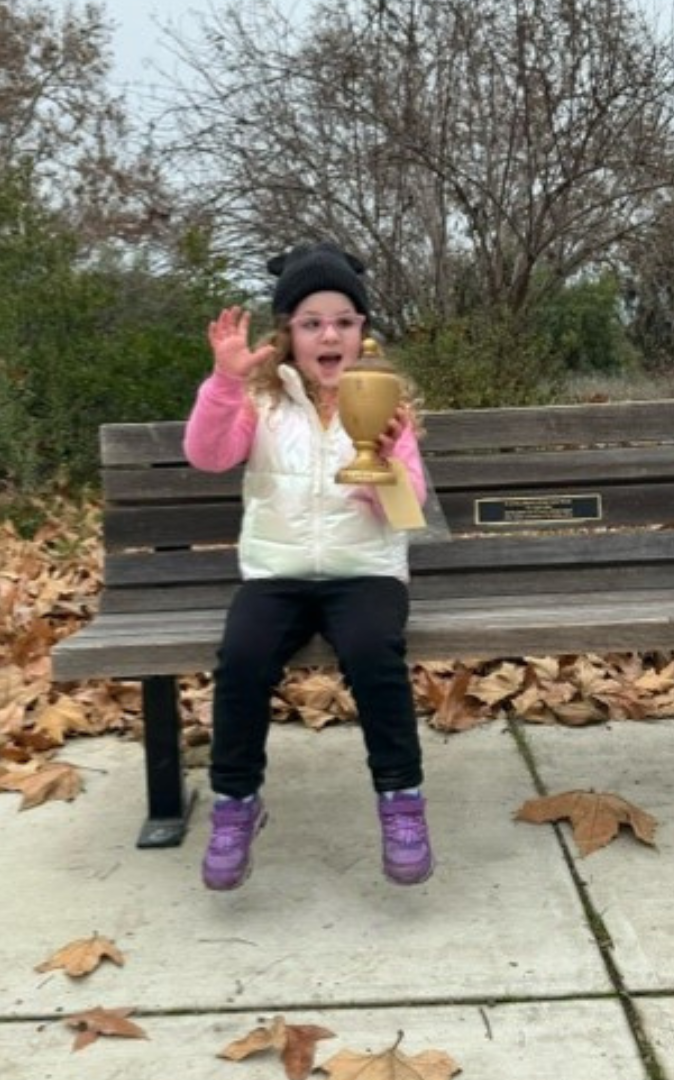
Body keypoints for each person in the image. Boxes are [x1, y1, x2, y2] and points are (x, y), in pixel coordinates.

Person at [182, 241, 433, 890]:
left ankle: (401, 800)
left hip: (365, 570)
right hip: (277, 571)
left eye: (345, 322)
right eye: (312, 322)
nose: (330, 335)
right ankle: (237, 804)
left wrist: (379, 467)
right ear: (288, 334)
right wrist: (225, 382)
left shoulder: (385, 401)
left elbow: (411, 505)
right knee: (241, 658)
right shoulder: (258, 403)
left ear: (362, 332)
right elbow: (207, 455)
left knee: (375, 655)